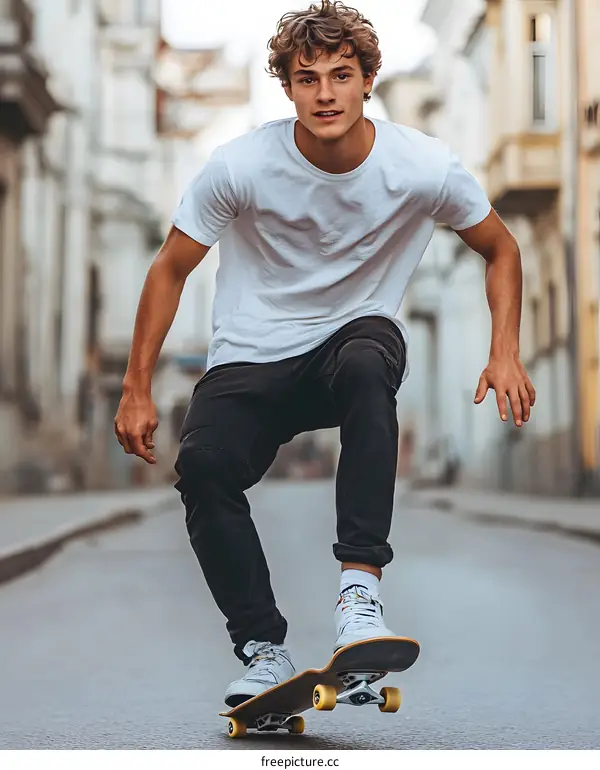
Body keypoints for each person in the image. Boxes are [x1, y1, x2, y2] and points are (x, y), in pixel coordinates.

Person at [114, 0, 536, 706]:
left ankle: (359, 599)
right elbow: (170, 268)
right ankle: (262, 650)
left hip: (352, 338)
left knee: (369, 363)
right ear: (287, 88)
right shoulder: (241, 166)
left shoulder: (420, 164)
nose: (326, 94)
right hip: (253, 350)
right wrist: (136, 387)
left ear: (368, 79)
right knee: (205, 467)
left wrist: (505, 351)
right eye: (307, 79)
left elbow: (501, 247)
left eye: (342, 75)